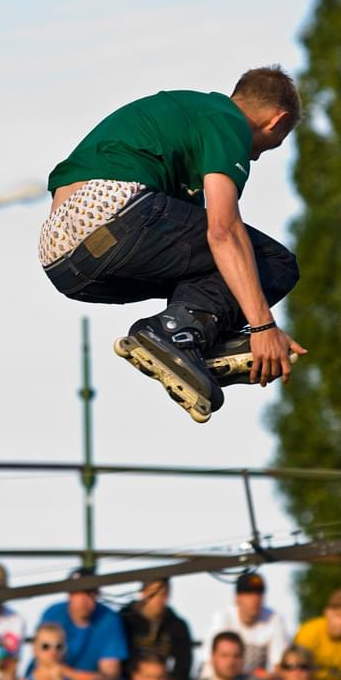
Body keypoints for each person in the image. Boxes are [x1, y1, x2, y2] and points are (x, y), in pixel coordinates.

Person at [39, 66, 306, 421]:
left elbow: (203, 266)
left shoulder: (183, 141)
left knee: (220, 270)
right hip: (113, 211)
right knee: (272, 262)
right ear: (277, 121)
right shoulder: (226, 119)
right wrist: (263, 326)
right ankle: (175, 332)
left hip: (63, 257)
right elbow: (223, 231)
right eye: (273, 145)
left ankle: (196, 341)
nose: (255, 156)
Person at [37, 566, 128, 680]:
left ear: (97, 594)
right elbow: (46, 664)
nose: (83, 599)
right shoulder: (53, 614)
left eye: (89, 593)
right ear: (69, 595)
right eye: (78, 592)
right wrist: (83, 678)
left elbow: (109, 676)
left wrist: (74, 677)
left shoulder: (109, 619)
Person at [202, 573, 288, 680]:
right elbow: (213, 663)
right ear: (237, 598)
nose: (255, 598)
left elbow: (280, 669)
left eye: (259, 593)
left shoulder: (274, 618)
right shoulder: (223, 617)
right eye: (249, 593)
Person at [120, 578, 193, 680]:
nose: (159, 599)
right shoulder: (124, 620)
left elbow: (183, 666)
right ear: (143, 593)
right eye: (153, 594)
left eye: (164, 594)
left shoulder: (177, 626)